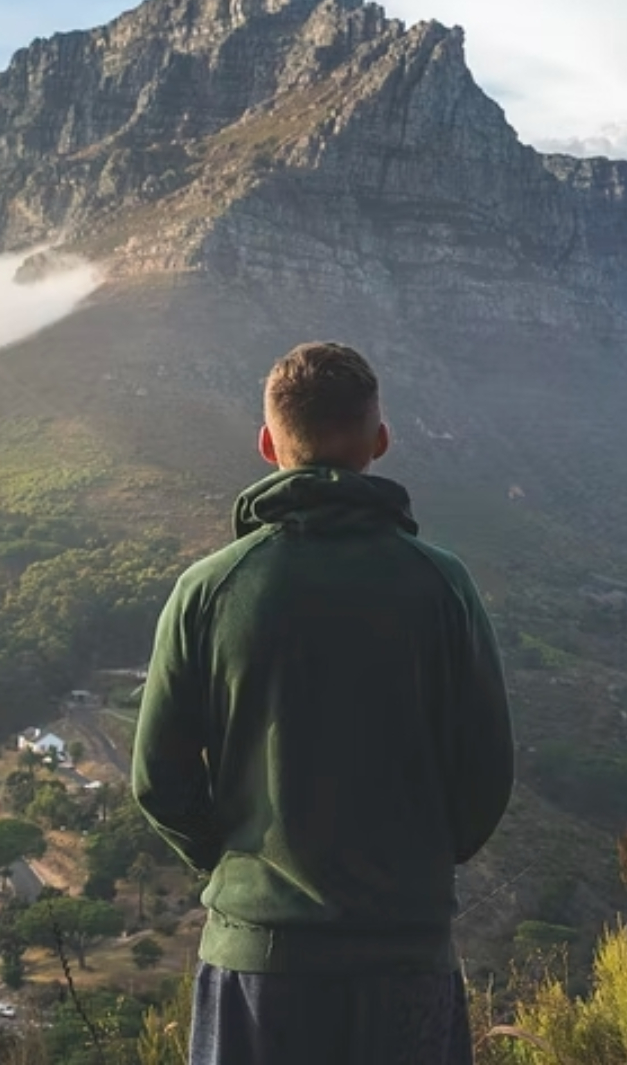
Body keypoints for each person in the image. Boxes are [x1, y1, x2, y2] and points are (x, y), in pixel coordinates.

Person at [132, 341, 516, 1064]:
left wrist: (236, 869)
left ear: (268, 443)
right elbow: (487, 774)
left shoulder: (210, 590)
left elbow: (158, 779)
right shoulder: (441, 585)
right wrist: (424, 860)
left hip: (257, 968)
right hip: (406, 958)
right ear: (379, 441)